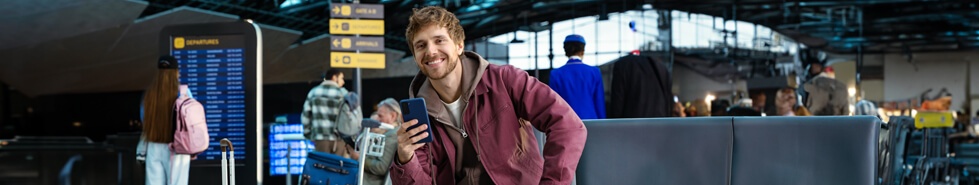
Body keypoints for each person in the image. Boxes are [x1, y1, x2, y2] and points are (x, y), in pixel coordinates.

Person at [392, 6, 587, 185]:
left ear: (459, 45)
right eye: (421, 45)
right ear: (416, 57)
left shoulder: (505, 80)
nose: (431, 51)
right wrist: (405, 158)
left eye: (439, 40)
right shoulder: (419, 116)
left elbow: (568, 125)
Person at [137, 56, 191, 185]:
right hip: (177, 147)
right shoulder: (184, 93)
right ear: (176, 72)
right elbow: (190, 121)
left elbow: (144, 120)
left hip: (153, 146)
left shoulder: (149, 94)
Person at [302, 68, 363, 158]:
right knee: (338, 168)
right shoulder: (343, 93)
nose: (343, 82)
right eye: (341, 78)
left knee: (322, 168)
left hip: (321, 138)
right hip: (340, 139)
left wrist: (309, 135)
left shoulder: (313, 92)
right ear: (334, 77)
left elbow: (305, 117)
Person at [548, 34, 606, 119]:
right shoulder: (594, 72)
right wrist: (602, 124)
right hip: (592, 120)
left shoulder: (556, 74)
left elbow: (554, 104)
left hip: (566, 121)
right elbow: (599, 103)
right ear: (583, 50)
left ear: (565, 51)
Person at [362, 98, 402, 185]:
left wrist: (359, 157)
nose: (377, 119)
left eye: (380, 116)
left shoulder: (392, 135)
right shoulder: (388, 133)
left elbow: (381, 167)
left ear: (393, 116)